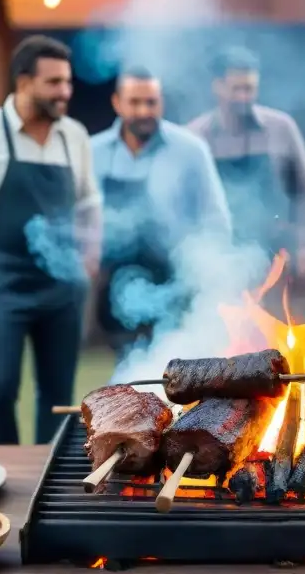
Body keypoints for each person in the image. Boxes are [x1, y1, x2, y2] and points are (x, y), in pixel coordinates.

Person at [0, 35, 101, 446]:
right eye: (53, 83)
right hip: (0, 280)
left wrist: (90, 256)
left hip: (62, 285)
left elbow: (89, 203)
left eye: (67, 82)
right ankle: (4, 472)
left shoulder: (75, 136)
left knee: (58, 395)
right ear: (24, 81)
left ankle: (48, 478)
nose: (65, 92)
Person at [91, 65, 232, 359]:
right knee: (129, 370)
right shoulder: (94, 152)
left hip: (176, 279)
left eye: (151, 102)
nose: (144, 111)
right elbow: (79, 218)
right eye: (135, 102)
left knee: (175, 367)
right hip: (114, 284)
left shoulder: (190, 149)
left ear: (161, 103)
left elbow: (215, 218)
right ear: (117, 103)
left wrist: (207, 269)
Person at [187, 47, 305, 278]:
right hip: (218, 260)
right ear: (217, 87)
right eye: (237, 89)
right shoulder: (195, 137)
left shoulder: (281, 127)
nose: (244, 97)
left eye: (249, 89)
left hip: (277, 256)